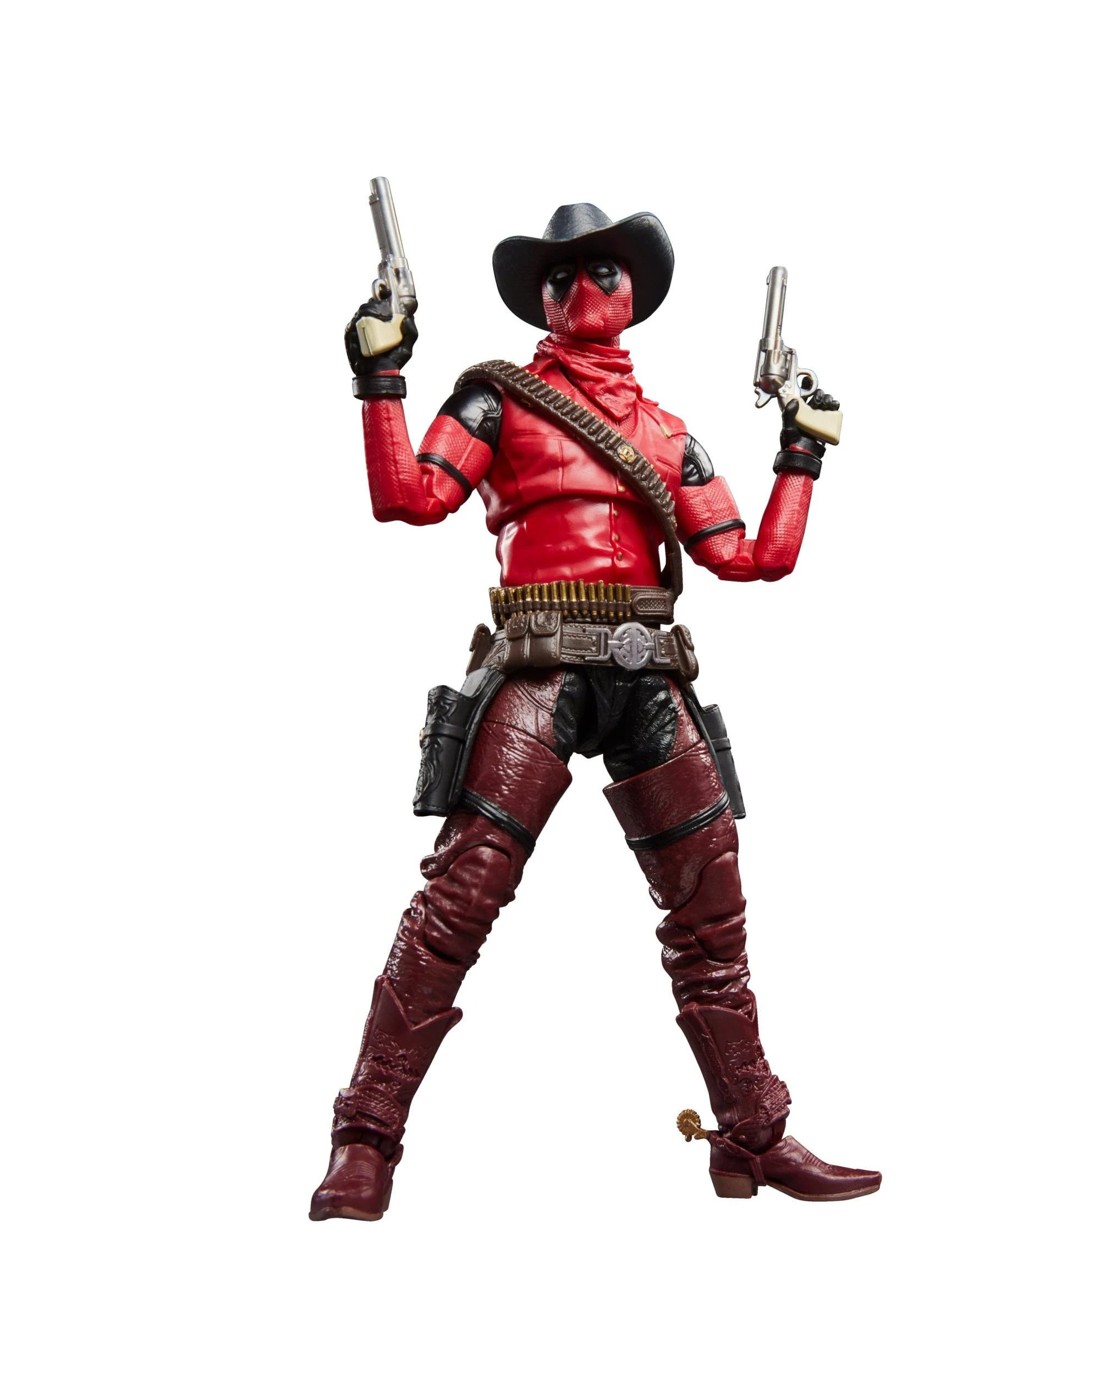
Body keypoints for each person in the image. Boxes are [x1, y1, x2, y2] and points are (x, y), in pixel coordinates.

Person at [310, 203, 880, 1220]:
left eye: (603, 272)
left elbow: (754, 558)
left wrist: (802, 450)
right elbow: (407, 496)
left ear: (633, 294)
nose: (582, 290)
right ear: (541, 299)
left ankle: (751, 1134)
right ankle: (365, 1136)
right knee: (461, 894)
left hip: (649, 672)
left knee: (711, 913)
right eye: (561, 277)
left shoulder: (668, 434)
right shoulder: (496, 399)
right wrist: (380, 374)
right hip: (537, 664)